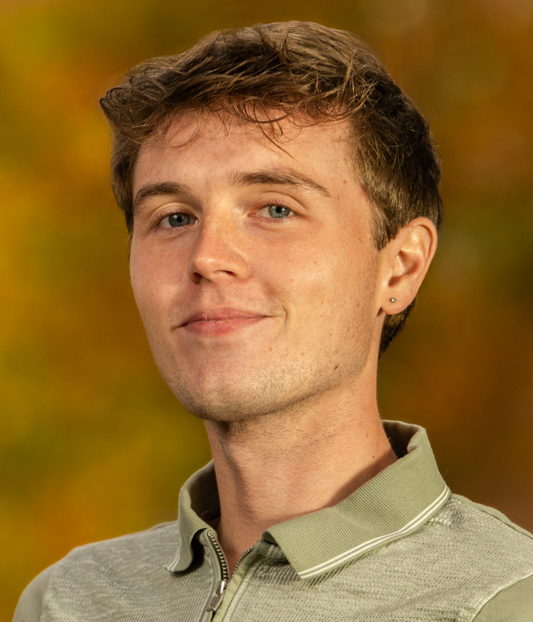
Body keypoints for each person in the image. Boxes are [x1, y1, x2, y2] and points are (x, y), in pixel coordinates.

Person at [14, 21, 533, 622]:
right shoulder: (66, 602)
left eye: (276, 208)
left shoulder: (508, 601)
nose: (207, 257)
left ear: (400, 268)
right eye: (174, 217)